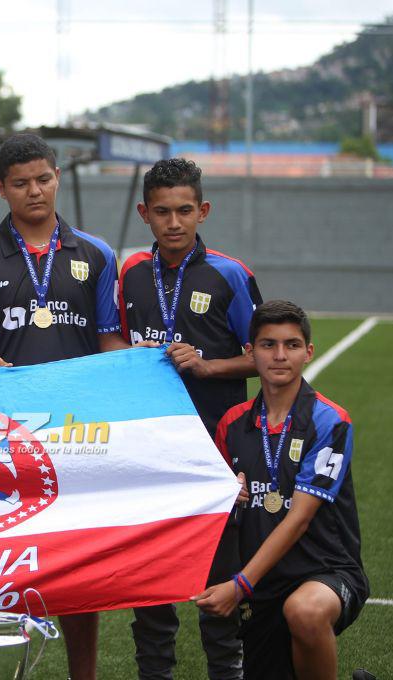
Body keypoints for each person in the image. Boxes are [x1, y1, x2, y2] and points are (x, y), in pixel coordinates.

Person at [0, 132, 134, 680]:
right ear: (1, 188)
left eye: (43, 179)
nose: (35, 191)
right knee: (6, 560)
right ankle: (8, 668)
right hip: (6, 437)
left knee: (79, 571)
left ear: (57, 177)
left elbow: (109, 342)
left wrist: (148, 365)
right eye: (21, 183)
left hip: (79, 434)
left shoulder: (98, 254)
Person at [119, 157, 261, 680]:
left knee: (218, 583)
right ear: (144, 214)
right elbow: (117, 347)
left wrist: (207, 365)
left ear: (203, 211)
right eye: (162, 212)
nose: (173, 222)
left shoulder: (230, 273)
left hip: (217, 456)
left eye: (184, 211)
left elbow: (264, 355)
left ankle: (226, 672)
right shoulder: (131, 273)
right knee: (152, 590)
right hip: (151, 454)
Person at [194, 300, 369, 680]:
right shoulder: (231, 424)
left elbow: (300, 518)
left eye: (291, 345)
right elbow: (217, 508)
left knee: (303, 611)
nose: (279, 355)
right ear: (250, 352)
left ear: (308, 352)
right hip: (263, 581)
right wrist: (230, 494)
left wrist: (239, 584)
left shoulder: (329, 420)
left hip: (325, 571)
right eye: (267, 344)